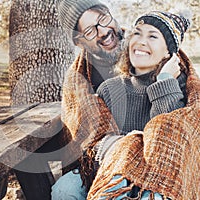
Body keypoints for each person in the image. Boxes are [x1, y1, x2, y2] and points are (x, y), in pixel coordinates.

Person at [87, 11, 200, 200]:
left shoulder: (183, 91)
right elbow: (94, 143)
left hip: (161, 183)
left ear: (168, 52)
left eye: (152, 36)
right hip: (115, 173)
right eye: (137, 33)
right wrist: (126, 145)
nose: (140, 41)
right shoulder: (111, 88)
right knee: (65, 190)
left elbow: (169, 147)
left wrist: (163, 81)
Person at [52, 0, 125, 199]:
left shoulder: (150, 46)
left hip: (153, 154)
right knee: (64, 191)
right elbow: (85, 140)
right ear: (79, 42)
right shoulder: (77, 79)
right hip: (101, 161)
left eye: (103, 19)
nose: (103, 32)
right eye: (90, 31)